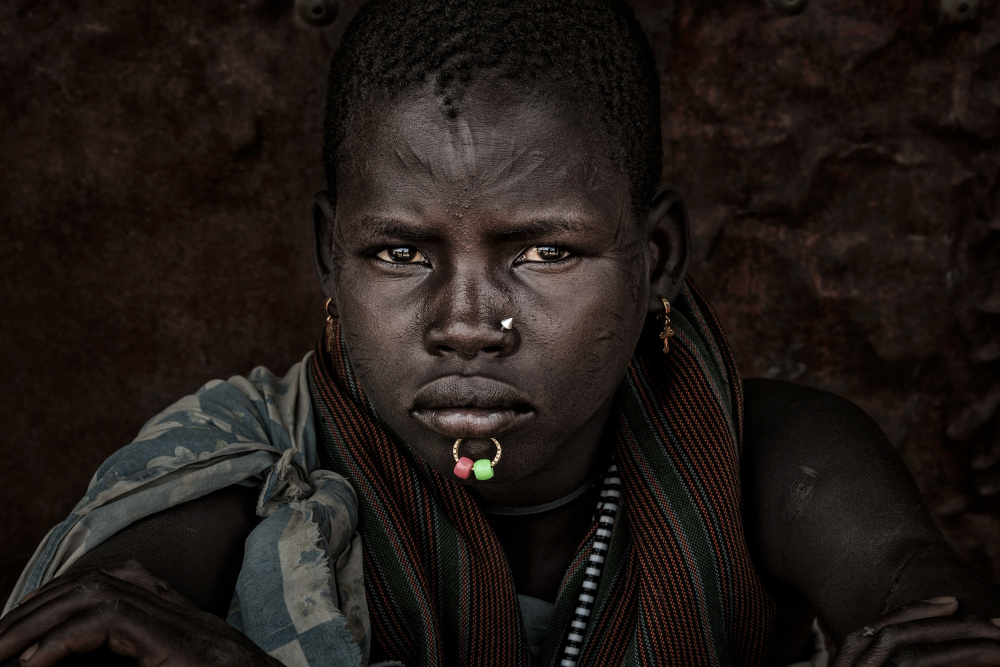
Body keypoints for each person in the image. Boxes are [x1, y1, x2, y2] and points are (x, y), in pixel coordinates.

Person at [1, 1, 999, 665]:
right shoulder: (240, 464)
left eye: (544, 252)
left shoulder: (777, 462)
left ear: (658, 253)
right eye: (399, 253)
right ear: (327, 253)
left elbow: (944, 622)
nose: (467, 322)